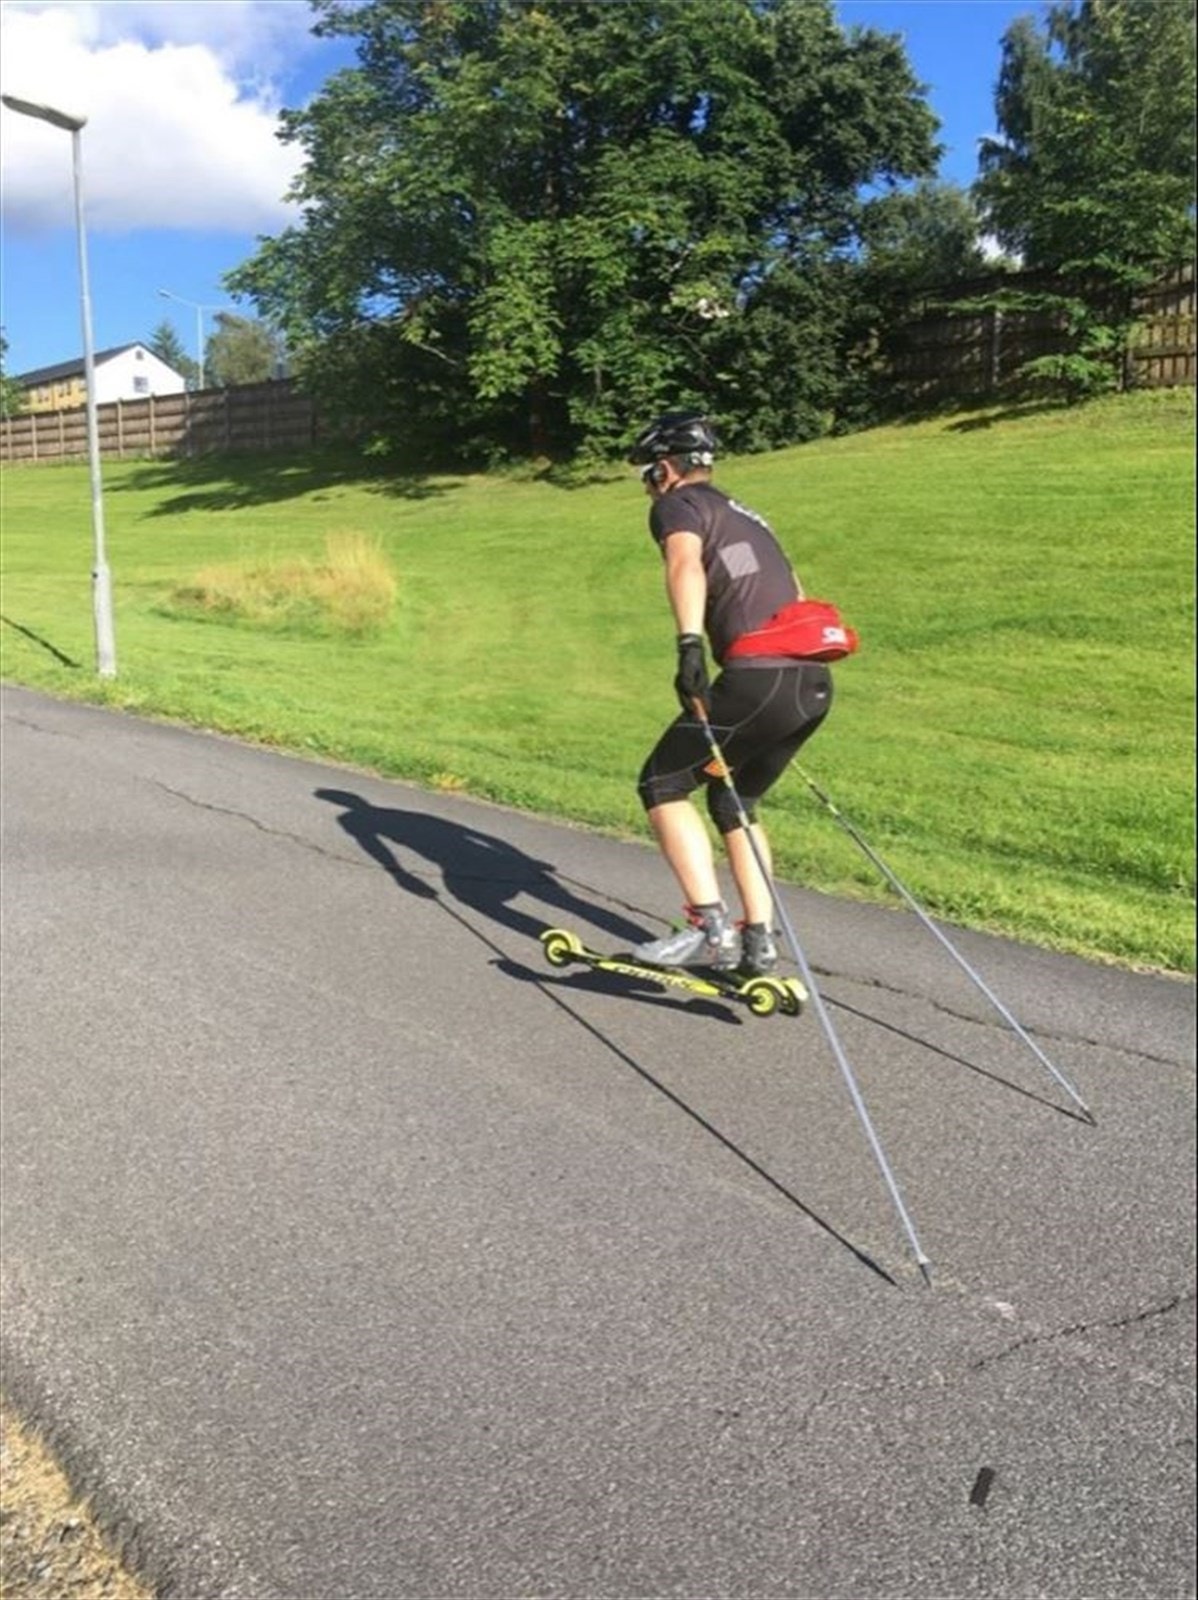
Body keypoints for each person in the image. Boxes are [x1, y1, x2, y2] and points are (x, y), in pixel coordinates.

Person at [628, 410, 837, 976]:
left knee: (663, 783)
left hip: (758, 679)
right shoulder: (745, 515)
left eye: (648, 473)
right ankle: (758, 940)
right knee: (734, 800)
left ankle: (709, 927)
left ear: (667, 468)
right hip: (810, 685)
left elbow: (685, 565)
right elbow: (793, 591)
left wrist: (689, 646)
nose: (647, 486)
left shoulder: (679, 505)